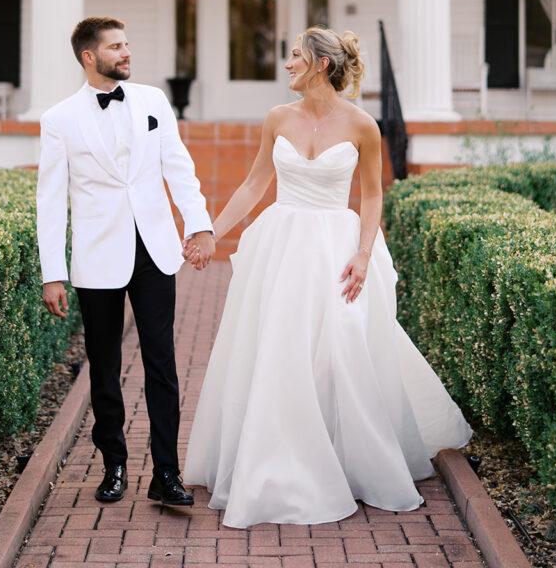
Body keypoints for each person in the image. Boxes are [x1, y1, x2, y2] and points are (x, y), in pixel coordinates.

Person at [182, 27, 472, 528]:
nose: (288, 63)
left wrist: (363, 253)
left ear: (319, 63)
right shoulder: (277, 118)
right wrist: (210, 232)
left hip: (338, 248)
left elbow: (373, 195)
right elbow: (254, 185)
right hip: (284, 244)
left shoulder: (362, 125)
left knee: (340, 346)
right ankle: (280, 457)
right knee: (280, 348)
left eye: (295, 55)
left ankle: (348, 457)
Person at [37, 17, 215, 507]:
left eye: (128, 44)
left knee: (162, 362)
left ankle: (166, 472)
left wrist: (198, 224)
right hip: (97, 256)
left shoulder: (154, 101)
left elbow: (178, 165)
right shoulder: (59, 119)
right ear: (88, 57)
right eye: (116, 47)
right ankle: (113, 464)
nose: (127, 53)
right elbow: (50, 200)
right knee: (105, 366)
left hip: (154, 251)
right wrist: (53, 271)